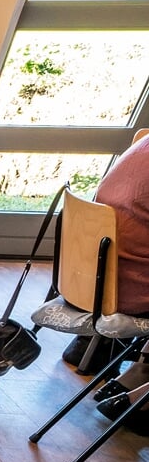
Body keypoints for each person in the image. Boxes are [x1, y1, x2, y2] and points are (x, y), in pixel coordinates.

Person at [88, 132, 149, 426]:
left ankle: (138, 375)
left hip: (98, 279)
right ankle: (142, 400)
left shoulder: (143, 142)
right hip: (130, 288)